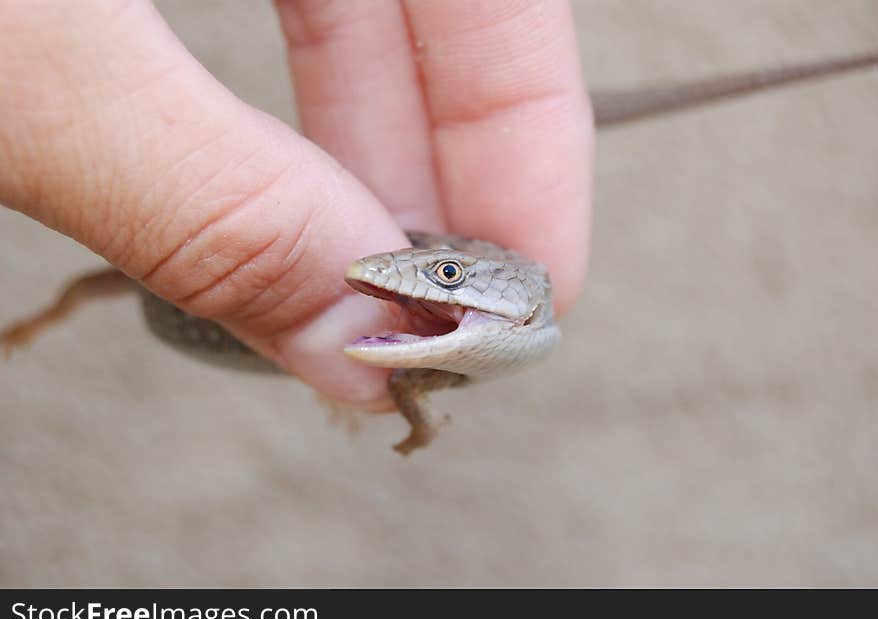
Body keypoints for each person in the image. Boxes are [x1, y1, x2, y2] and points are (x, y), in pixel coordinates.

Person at [0, 0, 592, 409]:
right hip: (168, 298)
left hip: (197, 302)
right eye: (446, 271)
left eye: (449, 273)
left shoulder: (512, 311)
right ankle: (45, 316)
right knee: (102, 281)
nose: (444, 276)